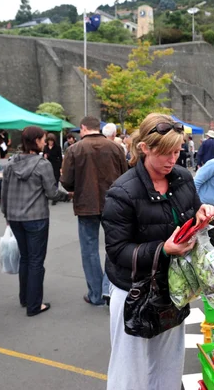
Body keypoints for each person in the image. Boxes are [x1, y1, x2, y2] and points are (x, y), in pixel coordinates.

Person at [102, 113, 214, 390]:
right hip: (134, 292)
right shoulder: (122, 192)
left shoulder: (182, 178)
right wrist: (163, 249)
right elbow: (118, 251)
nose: (173, 159)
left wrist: (203, 216)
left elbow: (191, 214)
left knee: (168, 364)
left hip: (172, 287)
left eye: (177, 151)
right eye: (166, 153)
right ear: (145, 148)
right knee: (130, 369)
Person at [2, 127, 70, 317]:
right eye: (42, 139)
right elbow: (52, 192)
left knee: (25, 258)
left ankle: (25, 298)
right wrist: (68, 196)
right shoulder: (43, 164)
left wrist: (6, 216)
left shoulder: (10, 163)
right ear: (37, 141)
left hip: (15, 218)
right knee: (36, 261)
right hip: (36, 217)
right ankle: (34, 305)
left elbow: (4, 193)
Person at [61, 116, 128, 306]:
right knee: (114, 247)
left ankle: (96, 293)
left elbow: (66, 181)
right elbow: (125, 176)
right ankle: (110, 290)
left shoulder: (74, 150)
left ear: (83, 128)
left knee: (89, 250)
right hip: (114, 203)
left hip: (86, 204)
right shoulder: (115, 148)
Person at [43, 133, 63, 205]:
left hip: (55, 165)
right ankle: (49, 194)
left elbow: (60, 157)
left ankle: (55, 196)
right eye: (49, 141)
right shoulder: (45, 147)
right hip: (47, 165)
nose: (50, 142)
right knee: (48, 180)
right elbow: (43, 156)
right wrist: (45, 156)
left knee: (56, 180)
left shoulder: (57, 147)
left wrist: (61, 167)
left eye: (52, 141)